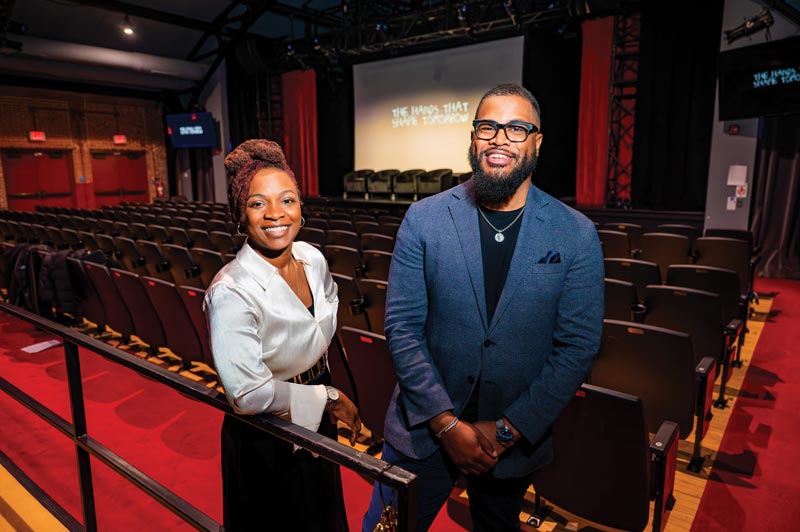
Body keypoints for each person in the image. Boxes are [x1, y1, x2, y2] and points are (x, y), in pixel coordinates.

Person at [362, 84, 604, 532]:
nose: (499, 139)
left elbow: (577, 347)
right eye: (488, 127)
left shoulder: (576, 233)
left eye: (516, 128)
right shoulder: (424, 218)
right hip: (422, 430)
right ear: (474, 138)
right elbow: (402, 328)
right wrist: (446, 424)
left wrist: (508, 429)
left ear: (537, 142)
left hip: (510, 446)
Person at [204, 139, 361, 532]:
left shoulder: (313, 257)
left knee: (324, 516)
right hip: (265, 434)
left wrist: (320, 388)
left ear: (300, 206)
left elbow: (329, 304)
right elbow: (247, 395)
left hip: (317, 410)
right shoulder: (231, 291)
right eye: (259, 203)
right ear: (241, 214)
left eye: (287, 199)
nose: (276, 213)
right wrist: (327, 396)